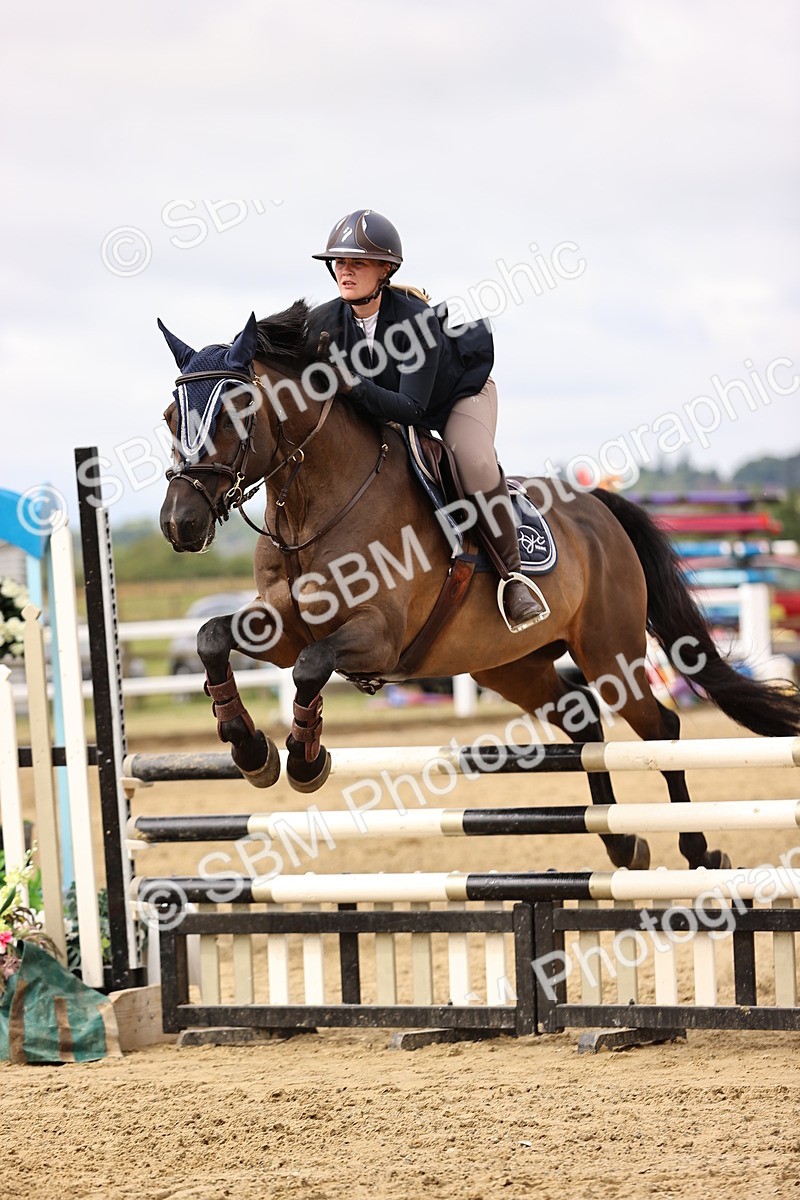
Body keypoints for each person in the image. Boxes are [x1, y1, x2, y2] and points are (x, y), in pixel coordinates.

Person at [308, 208, 548, 632]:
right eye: (339, 262)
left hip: (456, 395)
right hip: (389, 406)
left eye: (357, 262)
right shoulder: (323, 322)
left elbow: (412, 409)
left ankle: (513, 577)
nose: (345, 270)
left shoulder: (415, 321)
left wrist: (352, 387)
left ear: (385, 269)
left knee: (473, 460)